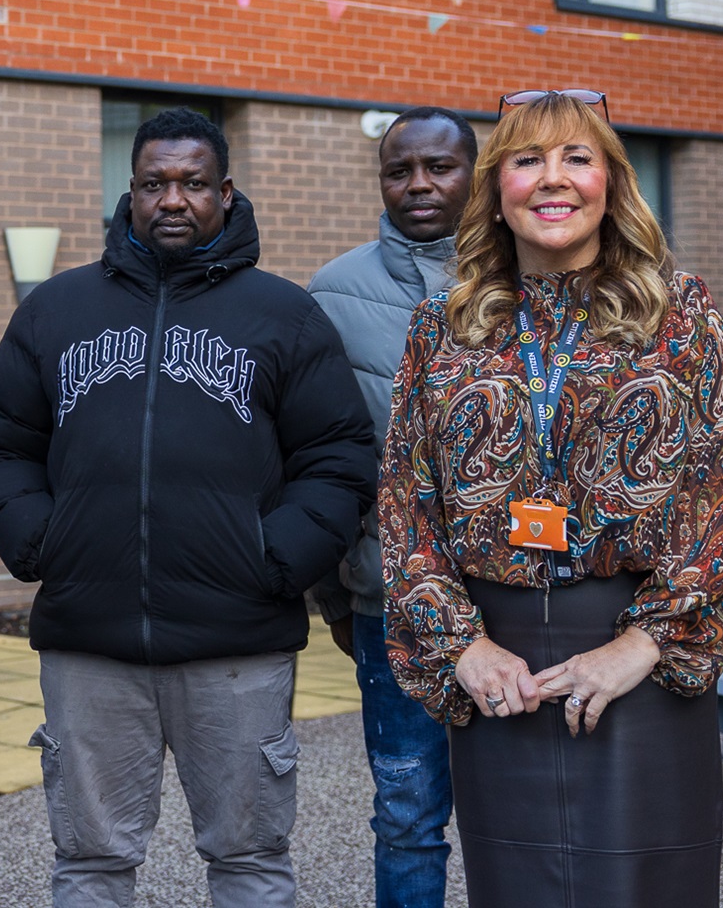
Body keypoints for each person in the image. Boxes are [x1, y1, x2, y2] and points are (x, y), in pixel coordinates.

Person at [0, 106, 374, 908]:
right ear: (128, 192)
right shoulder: (56, 310)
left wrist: (274, 560)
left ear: (224, 192)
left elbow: (337, 456)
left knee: (250, 859)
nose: (172, 199)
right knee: (89, 861)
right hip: (89, 643)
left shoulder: (283, 314)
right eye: (154, 182)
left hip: (236, 644)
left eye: (193, 183)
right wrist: (43, 543)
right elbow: (1, 443)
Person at [382, 89, 723, 908]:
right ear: (495, 189)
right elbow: (406, 504)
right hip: (497, 663)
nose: (553, 180)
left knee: (644, 887)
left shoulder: (679, 312)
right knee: (515, 885)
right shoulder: (438, 326)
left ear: (611, 183)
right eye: (526, 160)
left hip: (639, 655)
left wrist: (644, 642)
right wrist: (462, 644)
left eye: (576, 158)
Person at [307, 106, 476, 908]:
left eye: (438, 166)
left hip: (525, 601)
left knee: (526, 807)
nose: (417, 183)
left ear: (474, 173)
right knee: (407, 811)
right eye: (398, 168)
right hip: (391, 603)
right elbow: (313, 459)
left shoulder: (533, 280)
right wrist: (334, 595)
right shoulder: (332, 293)